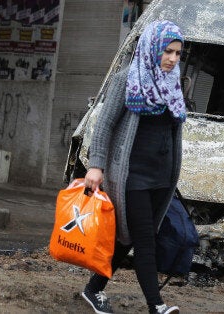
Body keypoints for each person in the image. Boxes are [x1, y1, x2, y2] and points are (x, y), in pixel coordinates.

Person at [81, 20, 185, 314]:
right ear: (152, 48)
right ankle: (157, 306)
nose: (172, 59)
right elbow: (104, 124)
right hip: (132, 176)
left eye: (177, 53)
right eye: (167, 51)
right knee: (144, 240)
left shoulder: (174, 83)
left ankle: (93, 289)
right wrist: (97, 165)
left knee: (125, 239)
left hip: (161, 178)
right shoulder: (127, 78)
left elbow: (171, 132)